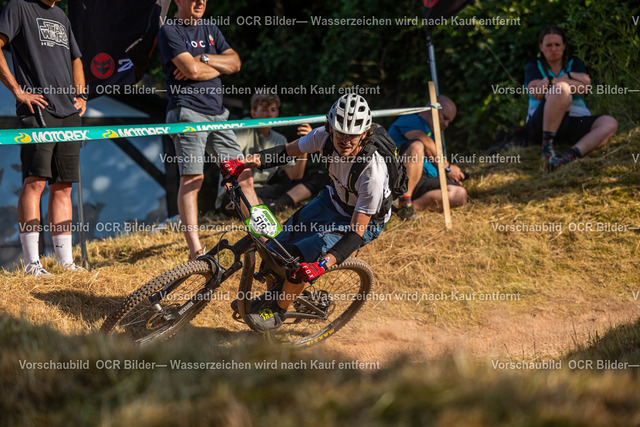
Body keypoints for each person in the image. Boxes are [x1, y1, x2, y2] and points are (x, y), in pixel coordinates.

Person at [221, 94, 391, 332]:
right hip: (333, 200)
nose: (345, 141)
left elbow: (356, 233)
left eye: (353, 135)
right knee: (276, 248)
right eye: (340, 133)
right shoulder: (323, 136)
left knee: (303, 259)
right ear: (330, 127)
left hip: (363, 221)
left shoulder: (372, 173)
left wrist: (322, 265)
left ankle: (277, 311)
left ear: (364, 134)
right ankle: (277, 292)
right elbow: (285, 152)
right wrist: (244, 164)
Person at [158, 0, 257, 260]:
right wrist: (215, 67)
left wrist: (203, 59)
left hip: (218, 114)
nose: (201, 1)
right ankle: (196, 252)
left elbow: (235, 63)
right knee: (193, 179)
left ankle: (264, 237)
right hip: (187, 112)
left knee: (242, 174)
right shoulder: (170, 30)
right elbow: (189, 70)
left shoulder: (210, 27)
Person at [0, 0, 88, 276]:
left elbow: (76, 58)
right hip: (37, 108)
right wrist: (17, 90)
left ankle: (65, 262)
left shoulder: (61, 15)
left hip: (68, 112)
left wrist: (81, 94)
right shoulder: (18, 6)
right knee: (35, 181)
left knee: (63, 186)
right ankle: (32, 264)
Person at [525, 25, 618, 170]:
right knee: (561, 89)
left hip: (573, 121)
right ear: (541, 47)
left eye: (557, 44)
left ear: (564, 46)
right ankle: (547, 148)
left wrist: (552, 80)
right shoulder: (533, 65)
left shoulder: (574, 63)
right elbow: (536, 91)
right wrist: (569, 82)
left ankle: (569, 156)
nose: (554, 49)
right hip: (541, 123)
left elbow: (584, 87)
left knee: (609, 122)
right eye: (549, 45)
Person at [225, 93, 325, 214]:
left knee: (318, 176)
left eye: (273, 110)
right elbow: (231, 161)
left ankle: (274, 206)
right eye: (264, 110)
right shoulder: (244, 128)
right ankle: (280, 204)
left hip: (263, 190)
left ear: (277, 113)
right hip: (240, 189)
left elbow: (295, 176)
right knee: (239, 194)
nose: (269, 114)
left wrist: (305, 145)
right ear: (253, 113)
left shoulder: (279, 139)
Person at [388, 96, 467, 219]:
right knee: (417, 146)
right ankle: (404, 201)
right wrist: (448, 168)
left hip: (425, 180)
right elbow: (426, 143)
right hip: (401, 177)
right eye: (445, 117)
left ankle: (407, 209)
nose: (446, 124)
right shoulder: (410, 119)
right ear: (431, 109)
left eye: (449, 122)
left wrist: (454, 174)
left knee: (460, 194)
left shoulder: (436, 137)